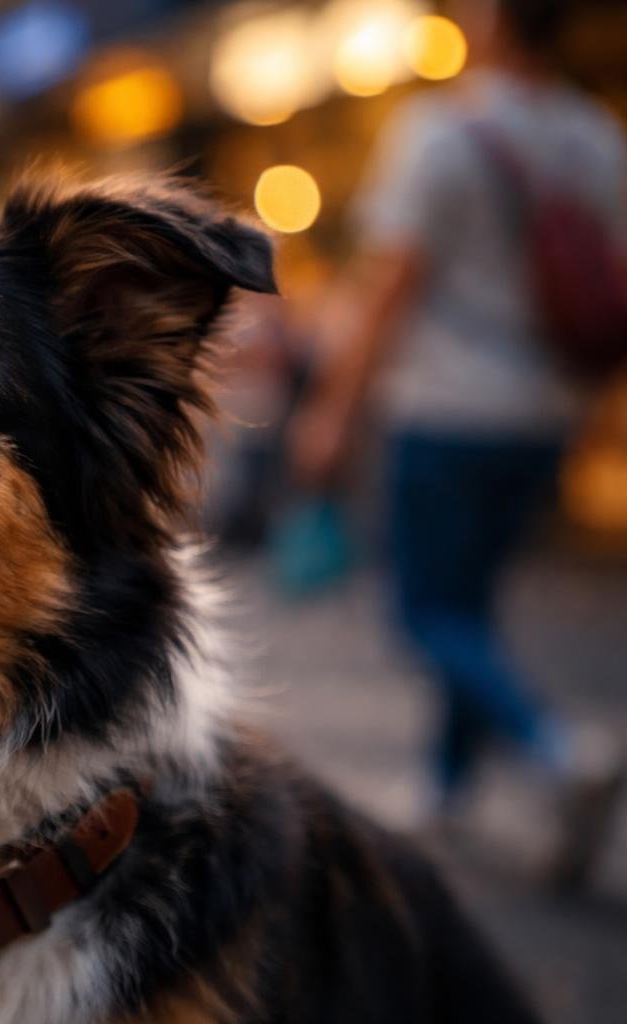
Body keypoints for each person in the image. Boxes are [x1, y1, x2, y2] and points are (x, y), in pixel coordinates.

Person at [290, 0, 626, 887]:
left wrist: (333, 410)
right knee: (470, 602)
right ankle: (448, 786)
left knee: (425, 612)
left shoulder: (443, 130)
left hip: (444, 410)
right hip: (544, 416)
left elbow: (391, 285)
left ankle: (558, 748)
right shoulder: (596, 135)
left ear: (493, 20)